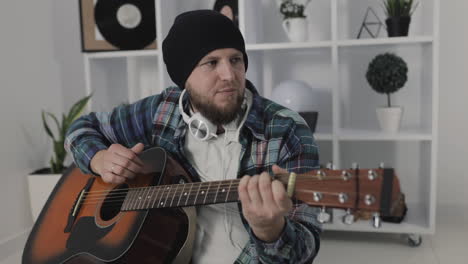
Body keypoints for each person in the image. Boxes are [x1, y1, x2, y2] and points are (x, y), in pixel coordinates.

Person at [65, 9, 321, 264]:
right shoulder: (161, 110)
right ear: (183, 76)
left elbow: (305, 247)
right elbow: (81, 128)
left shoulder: (287, 130)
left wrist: (269, 231)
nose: (229, 75)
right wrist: (97, 158)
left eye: (236, 60)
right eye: (211, 63)